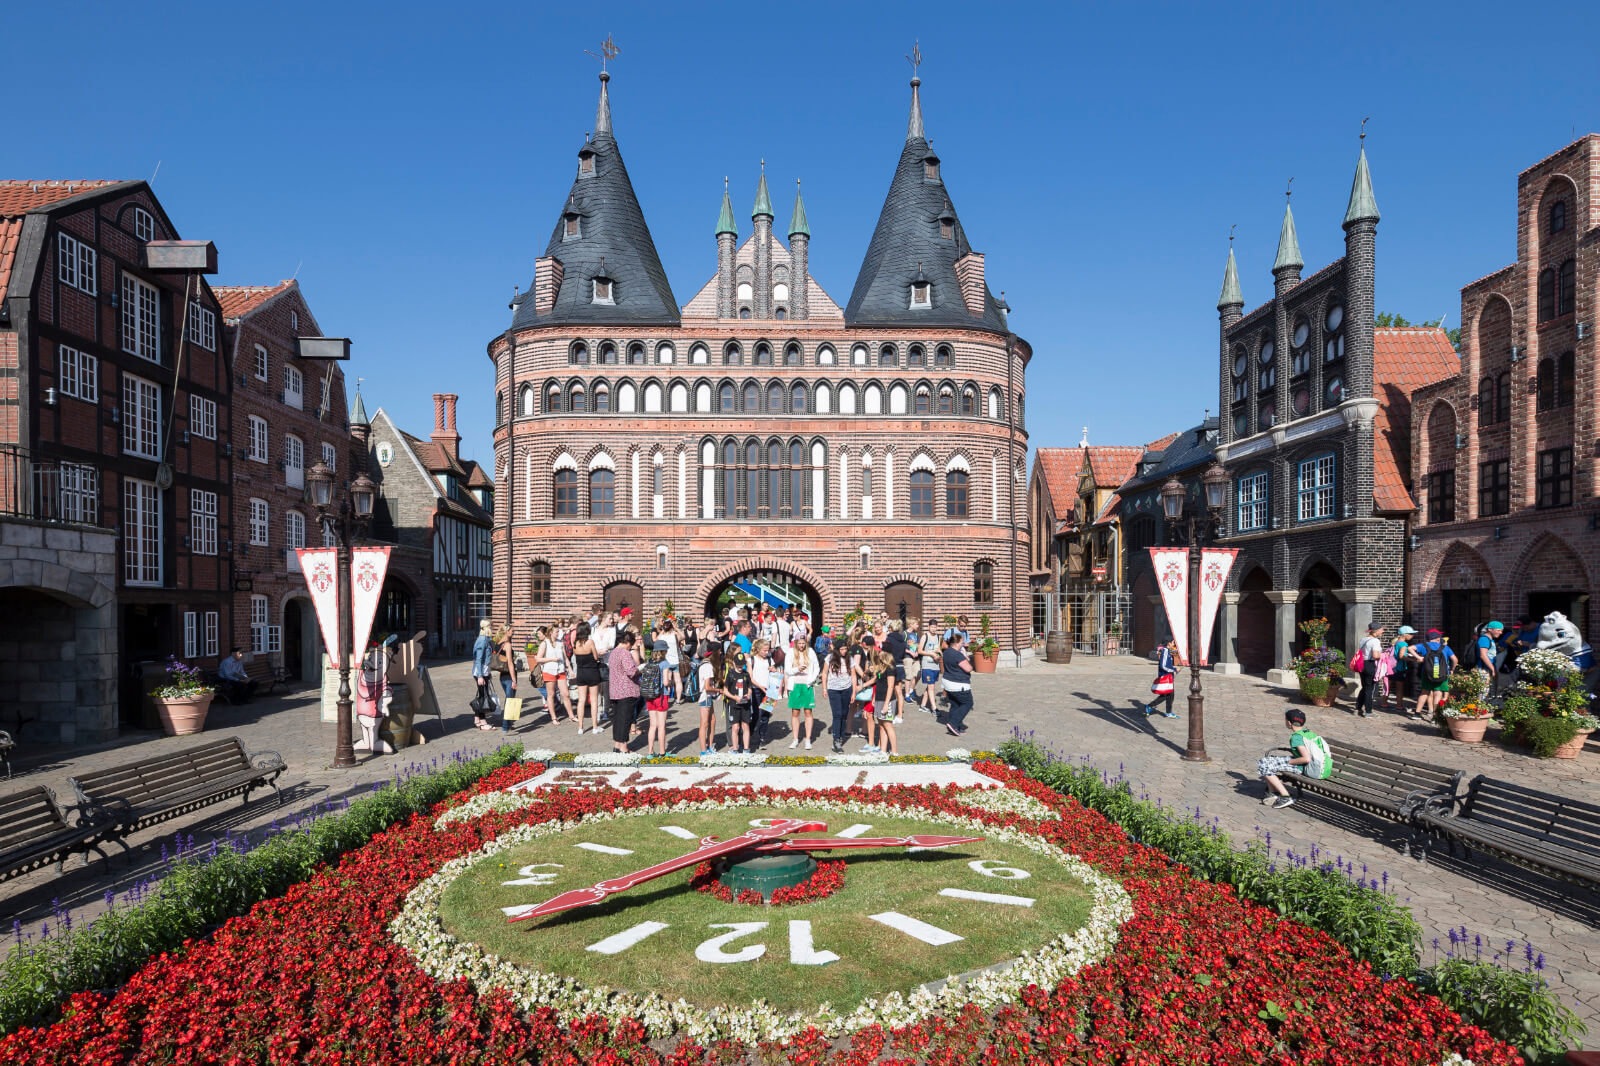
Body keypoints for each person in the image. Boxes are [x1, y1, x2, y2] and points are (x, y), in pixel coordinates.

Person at [1257, 707, 1332, 809]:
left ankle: (1285, 796)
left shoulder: (1296, 737)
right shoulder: (1307, 733)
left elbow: (1306, 758)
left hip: (1308, 768)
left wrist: (1289, 761)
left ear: (1289, 722)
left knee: (1264, 764)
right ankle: (1272, 793)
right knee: (1265, 762)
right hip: (1319, 768)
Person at [606, 629, 641, 753]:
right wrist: (640, 669)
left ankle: (617, 745)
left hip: (615, 690)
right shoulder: (625, 653)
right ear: (628, 643)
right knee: (625, 719)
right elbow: (631, 672)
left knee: (617, 719)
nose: (630, 647)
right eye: (631, 645)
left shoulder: (613, 652)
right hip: (626, 690)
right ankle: (624, 747)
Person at [784, 634, 819, 749]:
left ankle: (808, 739)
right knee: (795, 712)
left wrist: (811, 680)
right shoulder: (790, 652)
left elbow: (817, 668)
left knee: (808, 711)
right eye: (799, 643)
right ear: (795, 643)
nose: (802, 645)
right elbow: (787, 670)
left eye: (803, 643)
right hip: (795, 685)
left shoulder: (811, 652)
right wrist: (797, 669)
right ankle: (795, 739)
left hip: (807, 684)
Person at [1414, 629, 1456, 721]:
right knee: (1438, 693)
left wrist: (1419, 657)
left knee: (1424, 692)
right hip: (1442, 674)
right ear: (1437, 639)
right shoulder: (1445, 647)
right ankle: (1435, 716)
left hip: (1427, 673)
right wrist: (1452, 669)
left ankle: (1417, 713)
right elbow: (1455, 659)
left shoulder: (1423, 645)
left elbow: (1409, 648)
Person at [536, 624, 573, 727]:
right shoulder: (545, 643)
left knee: (565, 693)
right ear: (551, 633)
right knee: (551, 694)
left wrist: (570, 669)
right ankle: (554, 717)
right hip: (549, 670)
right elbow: (538, 659)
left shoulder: (561, 643)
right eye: (557, 632)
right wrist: (551, 659)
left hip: (561, 670)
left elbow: (565, 658)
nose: (558, 633)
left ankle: (571, 715)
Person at [570, 623, 602, 735]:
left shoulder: (575, 644)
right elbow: (595, 657)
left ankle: (580, 727)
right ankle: (594, 727)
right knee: (593, 700)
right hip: (592, 672)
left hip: (581, 673)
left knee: (581, 700)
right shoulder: (590, 642)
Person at [823, 641, 855, 754]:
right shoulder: (830, 658)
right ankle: (836, 741)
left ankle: (841, 737)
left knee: (844, 714)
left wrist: (854, 692)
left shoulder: (849, 658)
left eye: (845, 649)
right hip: (833, 689)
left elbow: (853, 675)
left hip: (847, 688)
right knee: (837, 715)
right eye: (841, 649)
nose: (844, 651)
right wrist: (824, 688)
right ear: (837, 650)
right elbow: (825, 673)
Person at [942, 630, 974, 737]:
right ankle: (953, 723)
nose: (963, 644)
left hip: (948, 683)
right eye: (961, 642)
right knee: (967, 703)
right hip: (958, 684)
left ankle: (956, 726)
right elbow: (968, 668)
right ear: (956, 643)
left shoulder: (946, 652)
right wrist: (965, 656)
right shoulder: (957, 655)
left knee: (955, 704)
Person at [643, 640, 671, 756]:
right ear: (663, 651)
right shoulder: (664, 663)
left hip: (649, 695)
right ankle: (662, 752)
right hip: (661, 695)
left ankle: (650, 751)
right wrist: (670, 682)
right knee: (661, 725)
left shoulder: (649, 661)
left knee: (652, 725)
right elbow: (665, 682)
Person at [724, 648, 754, 754]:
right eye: (738, 664)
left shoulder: (746, 674)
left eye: (742, 664)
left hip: (745, 704)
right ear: (734, 663)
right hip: (734, 704)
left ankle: (746, 748)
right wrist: (734, 697)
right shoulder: (731, 674)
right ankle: (735, 748)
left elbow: (750, 687)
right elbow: (725, 691)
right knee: (735, 727)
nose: (740, 667)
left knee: (745, 725)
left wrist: (749, 694)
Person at [1352, 622, 1385, 718]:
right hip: (1369, 664)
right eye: (1381, 629)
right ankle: (1368, 712)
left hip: (1362, 664)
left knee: (1365, 687)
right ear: (1376, 630)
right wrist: (1383, 655)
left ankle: (1358, 708)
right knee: (1370, 689)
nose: (1382, 631)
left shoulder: (1364, 639)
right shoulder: (1375, 641)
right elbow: (1375, 655)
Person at [696, 645, 723, 755]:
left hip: (707, 697)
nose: (721, 653)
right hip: (705, 697)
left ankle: (710, 747)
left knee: (712, 721)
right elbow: (707, 687)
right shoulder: (708, 667)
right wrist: (719, 690)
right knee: (704, 724)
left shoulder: (705, 663)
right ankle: (703, 750)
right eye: (720, 651)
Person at [871, 648, 898, 754]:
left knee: (888, 724)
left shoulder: (890, 669)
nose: (878, 654)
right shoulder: (880, 668)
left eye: (880, 652)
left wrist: (886, 704)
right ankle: (883, 750)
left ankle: (894, 751)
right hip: (879, 698)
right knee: (881, 724)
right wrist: (874, 698)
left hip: (888, 701)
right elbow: (878, 685)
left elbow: (890, 687)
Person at [493, 624, 519, 733]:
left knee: (510, 700)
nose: (513, 633)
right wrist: (514, 679)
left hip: (502, 676)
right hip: (509, 676)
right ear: (507, 631)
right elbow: (510, 663)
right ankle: (505, 726)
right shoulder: (507, 644)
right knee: (510, 701)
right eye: (512, 631)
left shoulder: (498, 643)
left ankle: (509, 724)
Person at [471, 620, 496, 731]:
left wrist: (488, 673)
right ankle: (483, 722)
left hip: (484, 672)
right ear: (487, 628)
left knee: (483, 695)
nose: (492, 629)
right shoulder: (482, 640)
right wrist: (480, 676)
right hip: (480, 672)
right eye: (491, 627)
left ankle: (477, 719)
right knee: (483, 697)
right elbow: (479, 659)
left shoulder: (486, 639)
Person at [749, 638, 774, 747]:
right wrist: (760, 686)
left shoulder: (769, 660)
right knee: (756, 714)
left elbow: (775, 673)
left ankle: (762, 737)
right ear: (758, 649)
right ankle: (749, 733)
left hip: (770, 690)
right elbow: (750, 677)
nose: (766, 652)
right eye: (764, 650)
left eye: (767, 650)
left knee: (766, 714)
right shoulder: (752, 660)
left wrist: (774, 670)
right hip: (756, 690)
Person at [1145, 640, 1178, 719]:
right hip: (1165, 677)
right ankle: (1152, 707)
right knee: (1169, 694)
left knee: (1168, 695)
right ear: (1168, 643)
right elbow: (1163, 666)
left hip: (1168, 676)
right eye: (1173, 643)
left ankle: (1151, 707)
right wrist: (1174, 669)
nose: (1174, 644)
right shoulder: (1165, 651)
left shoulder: (1167, 651)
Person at [883, 620, 908, 724]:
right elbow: (903, 654)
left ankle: (890, 713)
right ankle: (900, 715)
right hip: (900, 665)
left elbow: (885, 653)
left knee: (889, 690)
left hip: (891, 665)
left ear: (891, 628)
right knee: (899, 692)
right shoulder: (903, 639)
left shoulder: (889, 639)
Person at [1390, 625, 1417, 714]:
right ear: (1404, 634)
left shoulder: (1397, 642)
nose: (1412, 635)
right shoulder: (1404, 644)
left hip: (1393, 667)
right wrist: (1413, 659)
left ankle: (1384, 703)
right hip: (1400, 668)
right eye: (1410, 634)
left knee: (1389, 686)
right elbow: (1401, 656)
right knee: (1399, 688)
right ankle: (1399, 706)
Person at [916, 624, 942, 714]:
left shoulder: (938, 637)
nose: (934, 629)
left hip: (935, 665)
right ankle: (934, 708)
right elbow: (920, 651)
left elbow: (938, 649)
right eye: (932, 627)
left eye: (935, 627)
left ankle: (922, 706)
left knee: (930, 686)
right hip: (927, 665)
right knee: (931, 687)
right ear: (929, 627)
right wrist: (931, 654)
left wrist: (939, 654)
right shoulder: (925, 636)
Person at [1477, 621, 1506, 696]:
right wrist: (1493, 669)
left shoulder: (1490, 640)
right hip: (1484, 669)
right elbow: (1483, 655)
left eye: (1501, 630)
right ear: (1490, 629)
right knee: (1484, 693)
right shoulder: (1484, 639)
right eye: (1498, 630)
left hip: (1489, 669)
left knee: (1491, 692)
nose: (1501, 633)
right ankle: (1481, 708)